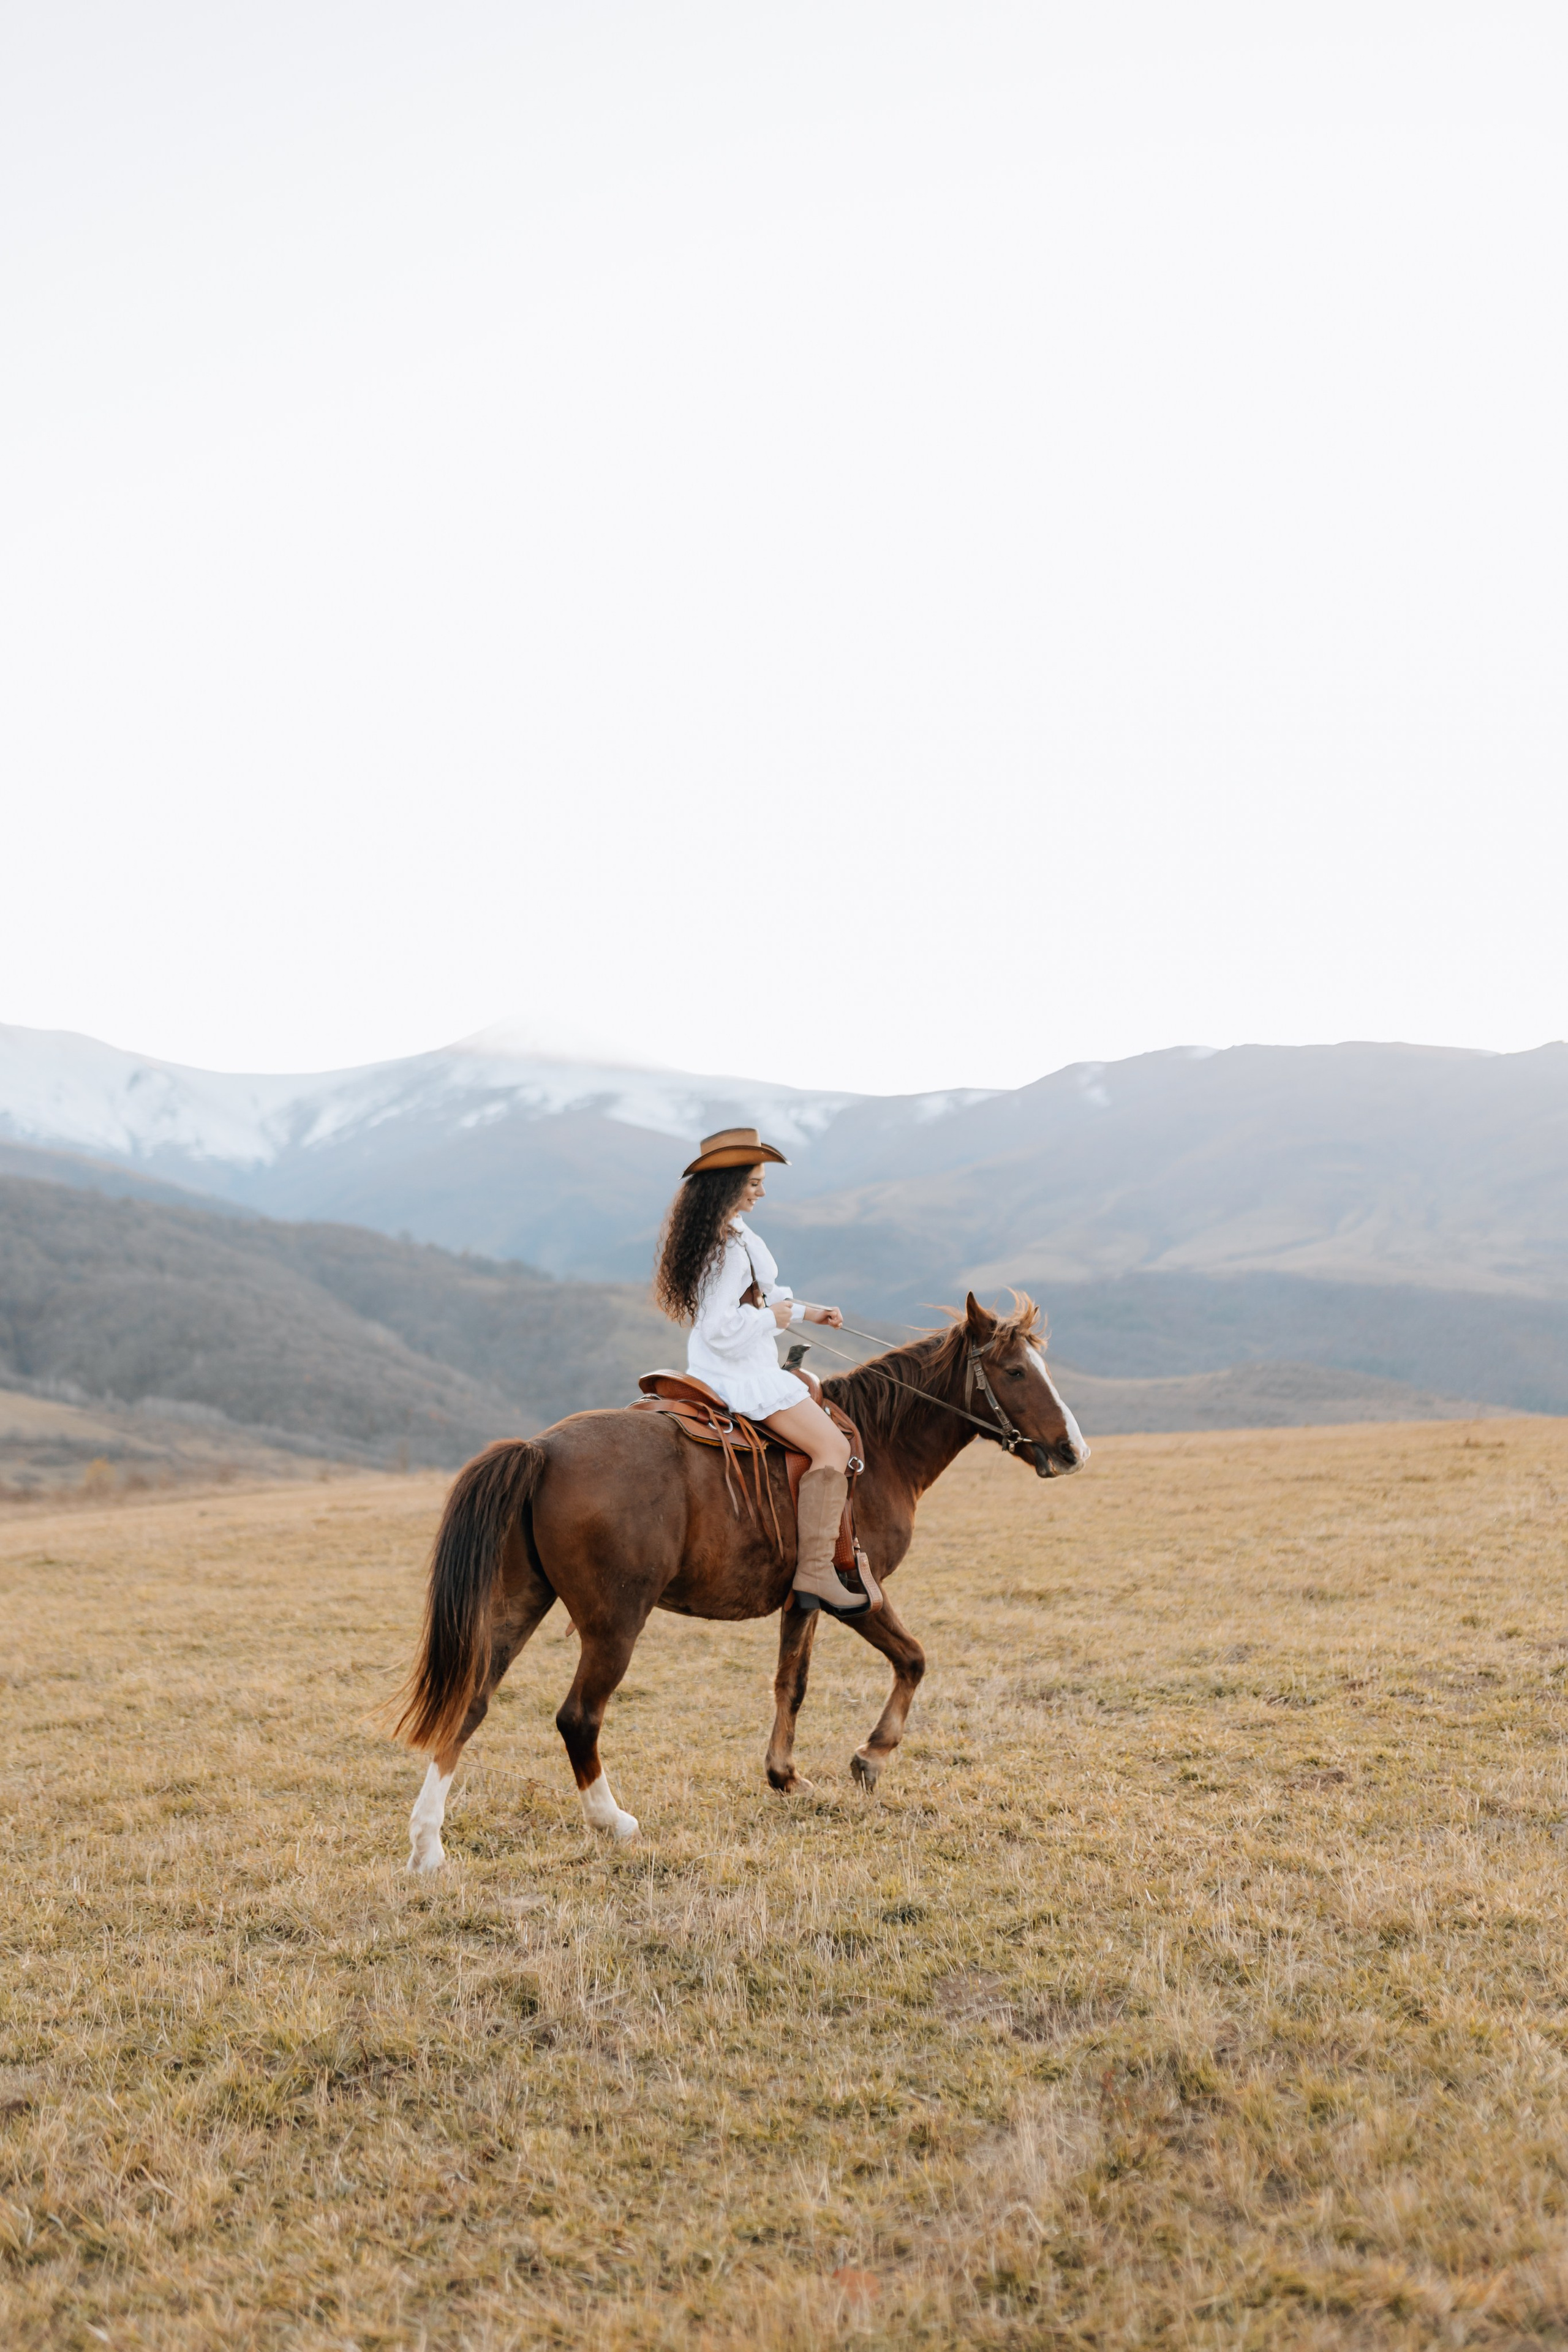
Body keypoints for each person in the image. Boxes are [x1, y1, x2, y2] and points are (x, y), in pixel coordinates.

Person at [652, 1126, 867, 1616]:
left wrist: (809, 1311)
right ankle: (816, 1570)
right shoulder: (726, 1250)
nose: (762, 1191)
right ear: (726, 1186)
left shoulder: (730, 1236)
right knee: (833, 1446)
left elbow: (763, 1295)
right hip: (742, 1375)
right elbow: (719, 1328)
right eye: (753, 1183)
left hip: (731, 1367)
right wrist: (775, 1320)